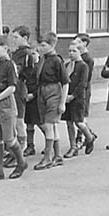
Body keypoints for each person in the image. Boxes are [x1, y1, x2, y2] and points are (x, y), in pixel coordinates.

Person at [0, 35, 27, 182]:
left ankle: (21, 162)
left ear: (5, 48)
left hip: (5, 102)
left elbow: (12, 87)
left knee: (9, 138)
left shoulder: (9, 65)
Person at [34, 32, 69, 170]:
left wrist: (62, 102)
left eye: (43, 45)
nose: (40, 48)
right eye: (40, 45)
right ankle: (58, 155)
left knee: (49, 125)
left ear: (52, 45)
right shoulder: (43, 59)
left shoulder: (57, 61)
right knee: (52, 126)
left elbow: (65, 82)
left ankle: (47, 157)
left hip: (53, 92)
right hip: (42, 91)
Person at [5, 25, 33, 167]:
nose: (14, 40)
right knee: (14, 121)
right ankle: (13, 153)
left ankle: (20, 153)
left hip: (20, 87)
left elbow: (17, 70)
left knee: (19, 121)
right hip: (15, 87)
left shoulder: (25, 53)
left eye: (16, 37)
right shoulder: (17, 52)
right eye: (13, 37)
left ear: (25, 38)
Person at [61, 41, 95, 158]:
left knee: (79, 122)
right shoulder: (66, 65)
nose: (71, 53)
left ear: (80, 52)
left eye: (74, 51)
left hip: (78, 98)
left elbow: (83, 83)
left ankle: (89, 137)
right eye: (69, 51)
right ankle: (73, 147)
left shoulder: (83, 66)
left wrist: (73, 96)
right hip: (66, 98)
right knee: (68, 123)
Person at [74, 33, 97, 148]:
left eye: (78, 42)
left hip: (84, 89)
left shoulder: (87, 59)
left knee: (81, 115)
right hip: (78, 88)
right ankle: (89, 133)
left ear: (84, 43)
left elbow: (86, 77)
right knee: (78, 115)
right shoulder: (77, 56)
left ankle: (81, 138)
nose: (76, 44)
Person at [23, 44, 45, 156]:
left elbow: (41, 84)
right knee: (29, 123)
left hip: (36, 98)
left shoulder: (40, 67)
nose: (31, 56)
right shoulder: (28, 67)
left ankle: (49, 142)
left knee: (40, 122)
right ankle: (30, 146)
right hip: (27, 97)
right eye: (29, 54)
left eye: (33, 54)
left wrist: (33, 94)